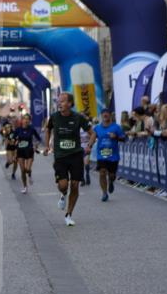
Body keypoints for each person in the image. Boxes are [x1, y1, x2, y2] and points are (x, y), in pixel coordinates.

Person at [43, 92, 91, 227]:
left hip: (76, 155)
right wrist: (47, 146)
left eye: (63, 101)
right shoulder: (54, 117)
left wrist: (89, 146)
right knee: (63, 185)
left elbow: (92, 133)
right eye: (59, 101)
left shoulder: (78, 117)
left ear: (70, 104)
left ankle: (68, 214)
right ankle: (63, 194)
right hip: (60, 156)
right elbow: (47, 130)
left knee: (75, 185)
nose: (59, 103)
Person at [87, 109, 125, 202]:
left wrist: (115, 137)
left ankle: (111, 181)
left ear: (110, 116)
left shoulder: (116, 127)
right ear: (101, 116)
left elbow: (123, 138)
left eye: (107, 114)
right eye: (103, 115)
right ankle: (104, 193)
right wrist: (89, 146)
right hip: (101, 155)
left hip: (113, 156)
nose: (105, 116)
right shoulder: (97, 128)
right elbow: (93, 137)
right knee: (102, 172)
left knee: (112, 175)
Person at [12, 113, 41, 194]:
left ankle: (30, 174)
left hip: (29, 151)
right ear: (22, 120)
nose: (26, 120)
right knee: (22, 171)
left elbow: (39, 139)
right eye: (24, 119)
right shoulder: (18, 129)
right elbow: (13, 140)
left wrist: (36, 146)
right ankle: (25, 187)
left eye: (28, 119)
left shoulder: (32, 129)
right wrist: (14, 145)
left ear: (30, 121)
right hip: (20, 152)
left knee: (27, 169)